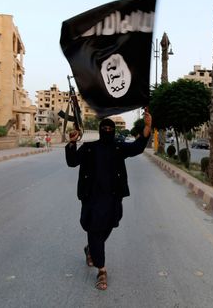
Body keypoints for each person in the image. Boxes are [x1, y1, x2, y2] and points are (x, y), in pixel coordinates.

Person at [65, 108, 152, 290]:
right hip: (91, 199)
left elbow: (138, 146)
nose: (106, 132)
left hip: (113, 198)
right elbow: (72, 162)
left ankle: (91, 249)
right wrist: (72, 143)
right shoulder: (89, 148)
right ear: (99, 130)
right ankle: (102, 270)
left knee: (109, 226)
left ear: (113, 131)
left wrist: (147, 126)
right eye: (104, 129)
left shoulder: (119, 148)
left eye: (109, 129)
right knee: (94, 231)